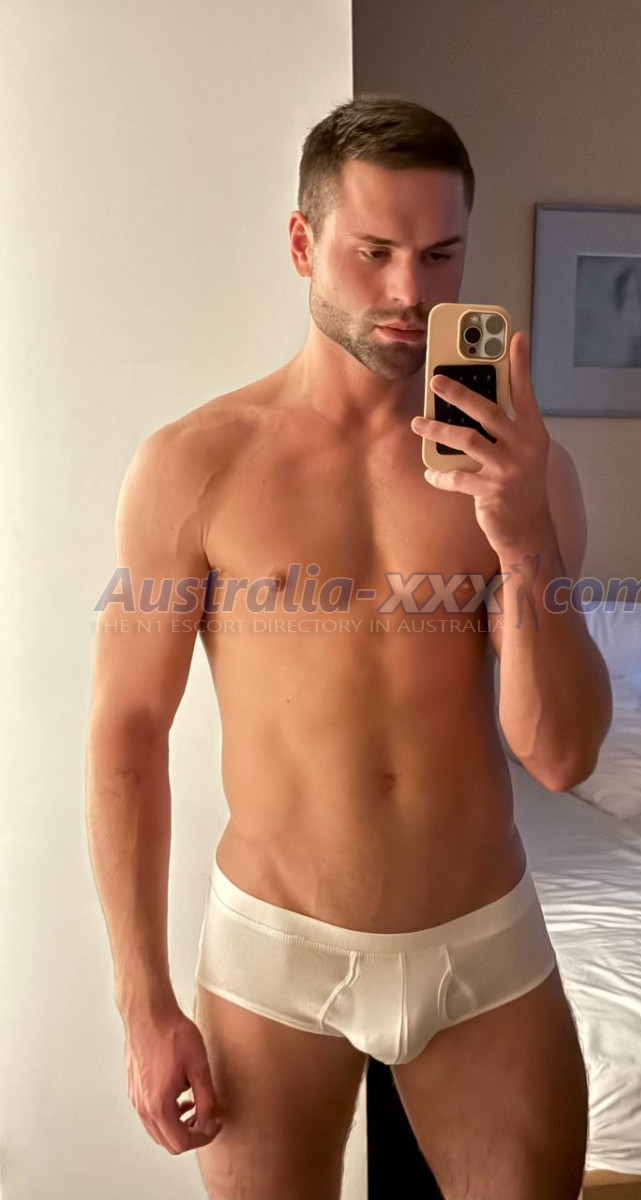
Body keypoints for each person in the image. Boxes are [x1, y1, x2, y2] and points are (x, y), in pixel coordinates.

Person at [85, 95, 612, 1200]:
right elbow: (127, 735)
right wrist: (142, 1004)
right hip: (274, 954)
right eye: (373, 253)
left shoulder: (525, 474)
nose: (410, 292)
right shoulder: (195, 467)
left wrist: (522, 541)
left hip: (479, 946)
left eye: (440, 254)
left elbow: (559, 754)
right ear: (301, 243)